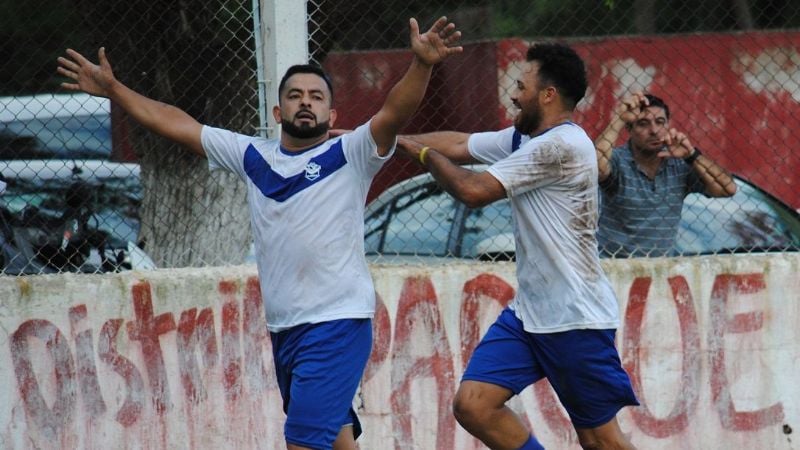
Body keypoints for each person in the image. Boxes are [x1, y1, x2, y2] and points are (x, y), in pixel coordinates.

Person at [57, 17, 462, 450]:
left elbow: (394, 112)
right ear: (277, 111)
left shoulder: (351, 152)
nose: (305, 103)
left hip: (336, 324)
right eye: (295, 96)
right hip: (285, 329)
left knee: (302, 443)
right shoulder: (254, 156)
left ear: (332, 113)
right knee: (339, 441)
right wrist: (116, 90)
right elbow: (176, 123)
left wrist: (421, 65)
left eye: (316, 97)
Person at [396, 43, 638, 450]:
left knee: (600, 441)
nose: (512, 93)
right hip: (530, 315)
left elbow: (472, 190)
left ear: (548, 95)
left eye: (521, 85)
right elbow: (461, 144)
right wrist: (385, 138)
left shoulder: (560, 147)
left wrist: (422, 153)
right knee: (474, 405)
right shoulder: (525, 139)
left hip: (574, 318)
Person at [595, 92, 737, 257]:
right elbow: (594, 167)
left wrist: (692, 154)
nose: (654, 130)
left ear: (668, 125)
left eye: (660, 122)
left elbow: (728, 189)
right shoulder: (618, 161)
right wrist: (619, 119)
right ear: (629, 129)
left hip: (661, 271)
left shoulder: (679, 164)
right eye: (643, 124)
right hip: (616, 268)